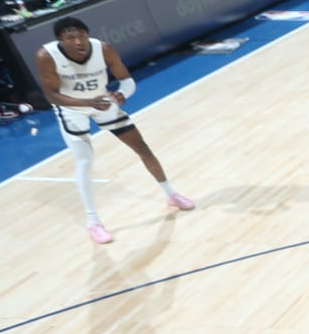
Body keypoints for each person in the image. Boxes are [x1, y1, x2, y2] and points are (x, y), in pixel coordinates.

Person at [35, 16, 193, 245]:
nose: (78, 41)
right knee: (85, 162)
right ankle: (93, 222)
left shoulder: (103, 49)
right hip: (71, 108)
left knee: (142, 148)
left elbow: (126, 80)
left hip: (101, 101)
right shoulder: (46, 56)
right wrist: (86, 103)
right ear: (60, 39)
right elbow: (51, 95)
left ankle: (171, 194)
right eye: (71, 37)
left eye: (82, 35)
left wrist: (121, 94)